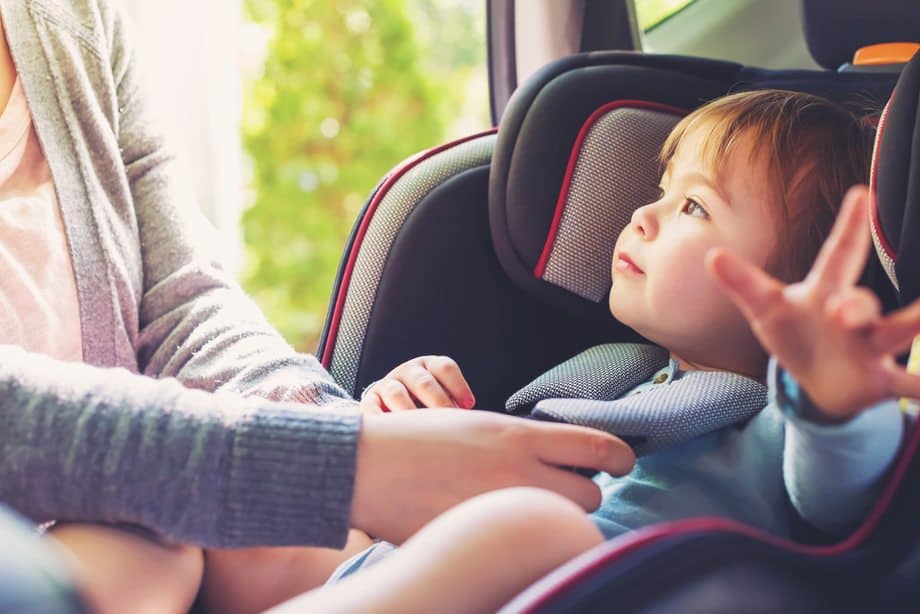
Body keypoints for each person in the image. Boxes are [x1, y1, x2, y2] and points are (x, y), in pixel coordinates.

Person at [0, 1, 635, 612]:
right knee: (537, 535)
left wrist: (341, 427)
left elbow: (183, 305)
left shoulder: (73, 21)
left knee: (178, 549)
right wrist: (345, 464)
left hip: (136, 516)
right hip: (97, 534)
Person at [286, 90, 920, 611]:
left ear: (797, 287)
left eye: (694, 208)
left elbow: (843, 490)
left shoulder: (784, 423)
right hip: (430, 574)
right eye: (661, 190)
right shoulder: (617, 377)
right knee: (261, 524)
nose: (643, 216)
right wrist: (406, 426)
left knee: (527, 529)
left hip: (605, 588)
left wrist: (834, 394)